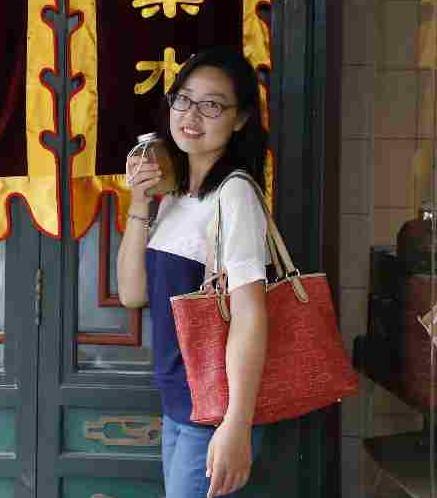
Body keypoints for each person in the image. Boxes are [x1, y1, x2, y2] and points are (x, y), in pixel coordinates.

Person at [117, 47, 269, 498]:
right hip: (180, 406)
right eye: (183, 99)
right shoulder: (178, 195)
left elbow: (250, 314)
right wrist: (140, 202)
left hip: (214, 414)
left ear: (240, 119)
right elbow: (132, 293)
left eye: (212, 105)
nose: (191, 115)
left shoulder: (234, 195)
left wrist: (236, 424)